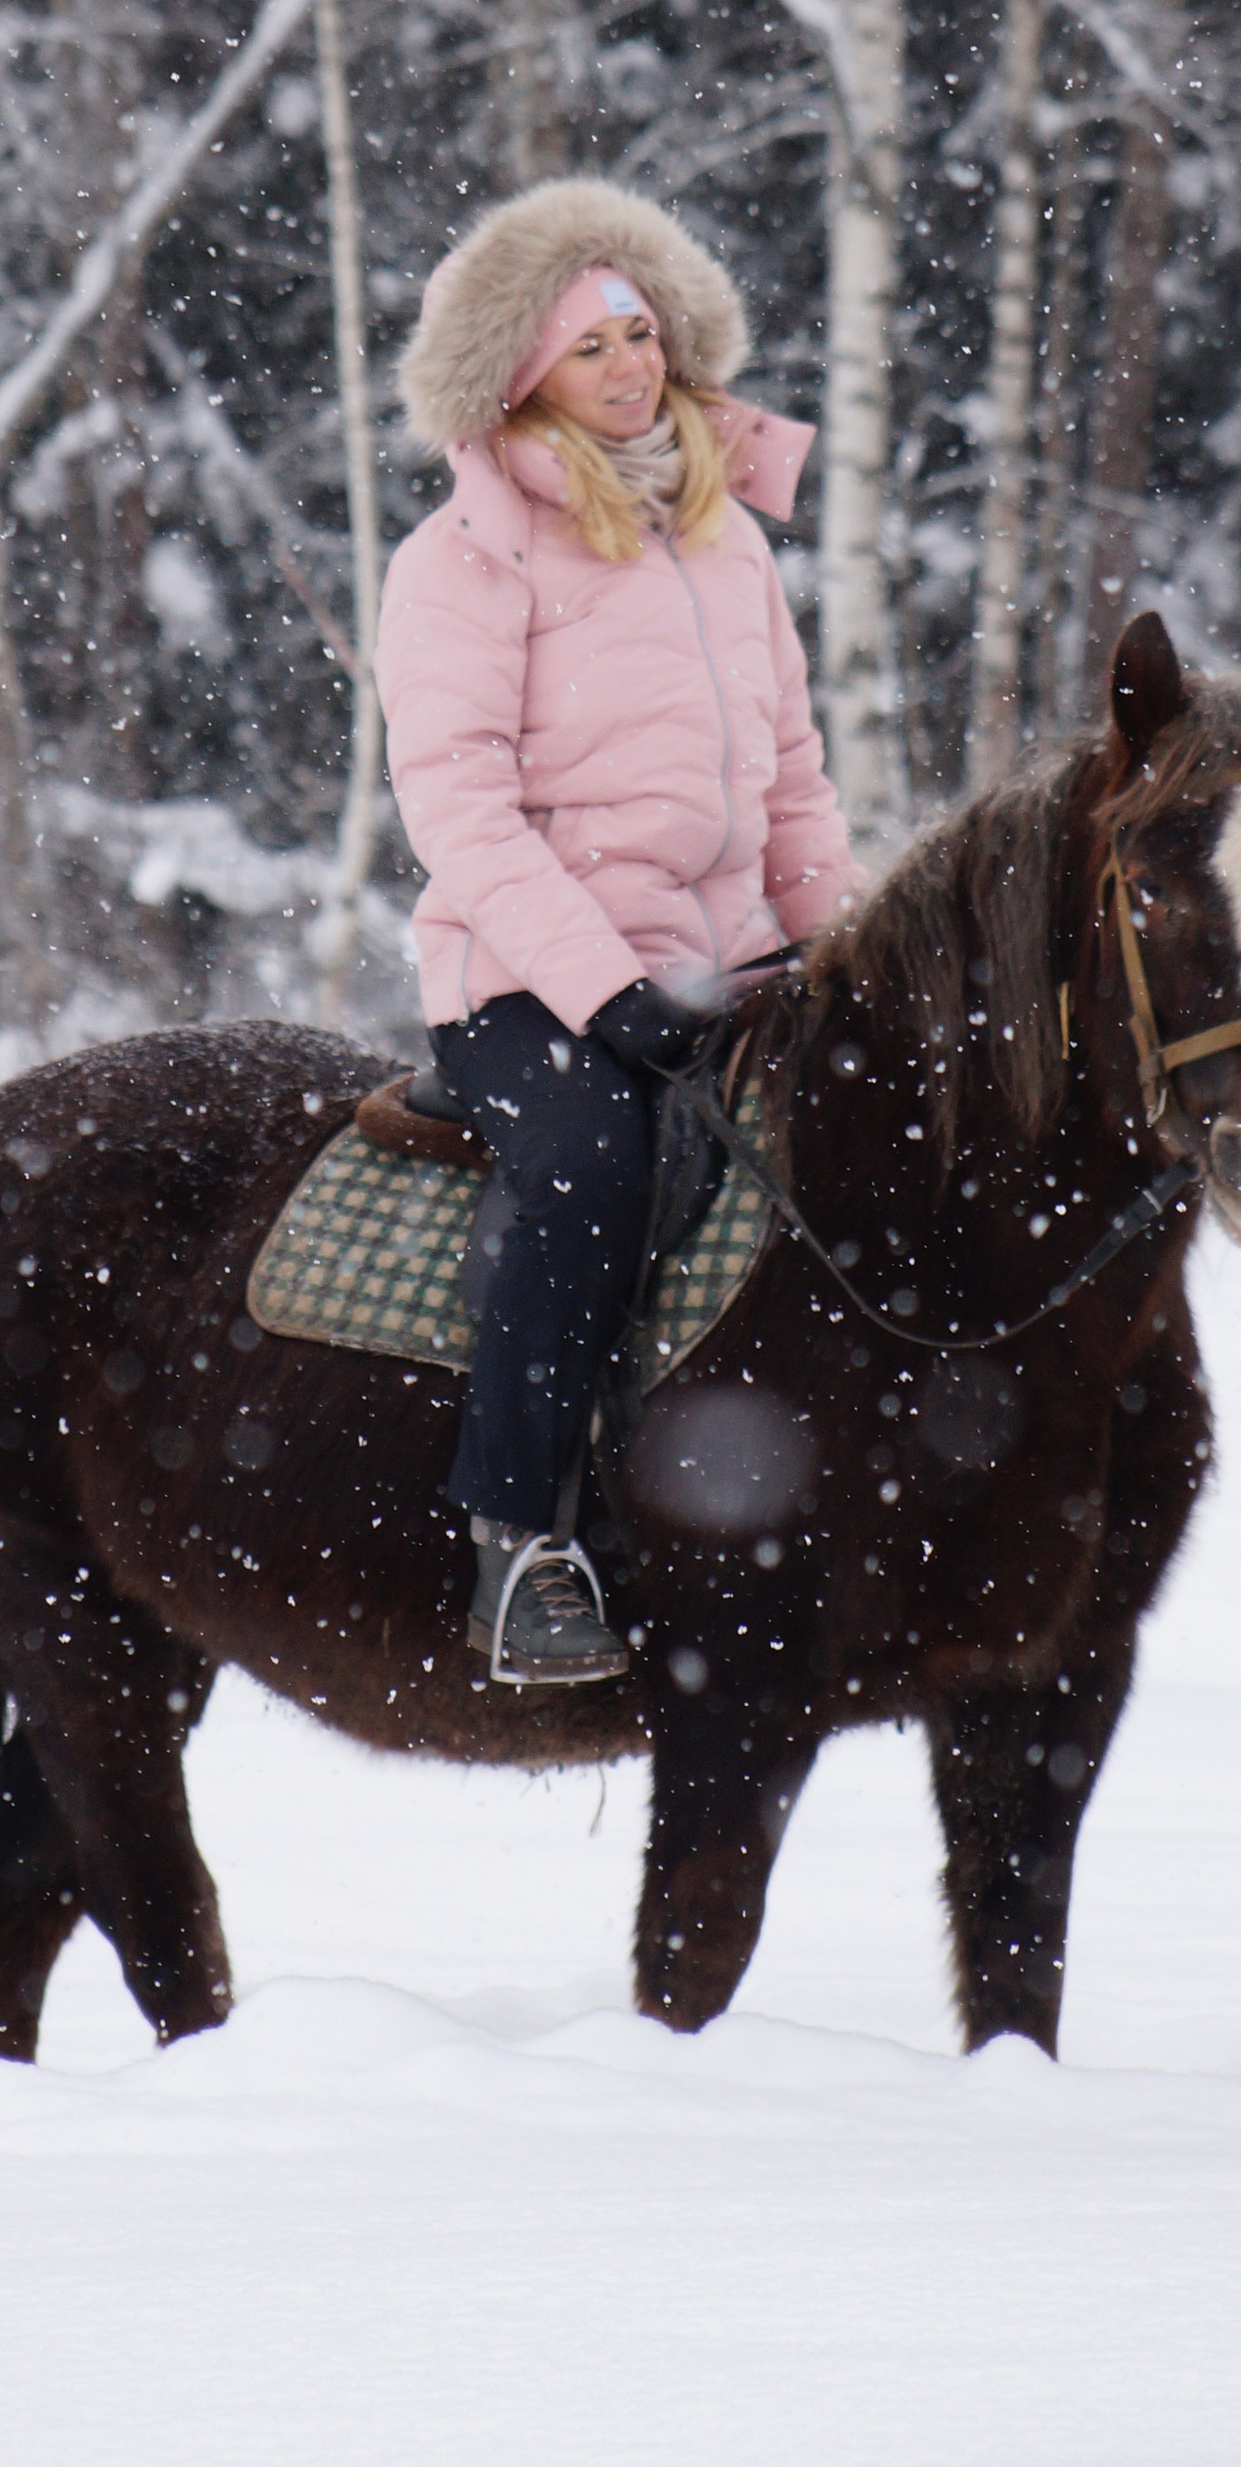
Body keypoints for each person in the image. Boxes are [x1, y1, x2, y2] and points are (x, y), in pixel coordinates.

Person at [377, 180, 857, 1687]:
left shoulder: (728, 545)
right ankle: (519, 1544)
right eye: (594, 349)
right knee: (597, 1161)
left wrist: (853, 957)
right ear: (523, 374)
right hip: (526, 981)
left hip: (732, 966)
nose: (633, 367)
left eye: (645, 335)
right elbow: (461, 810)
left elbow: (790, 789)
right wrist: (605, 989)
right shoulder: (463, 561)